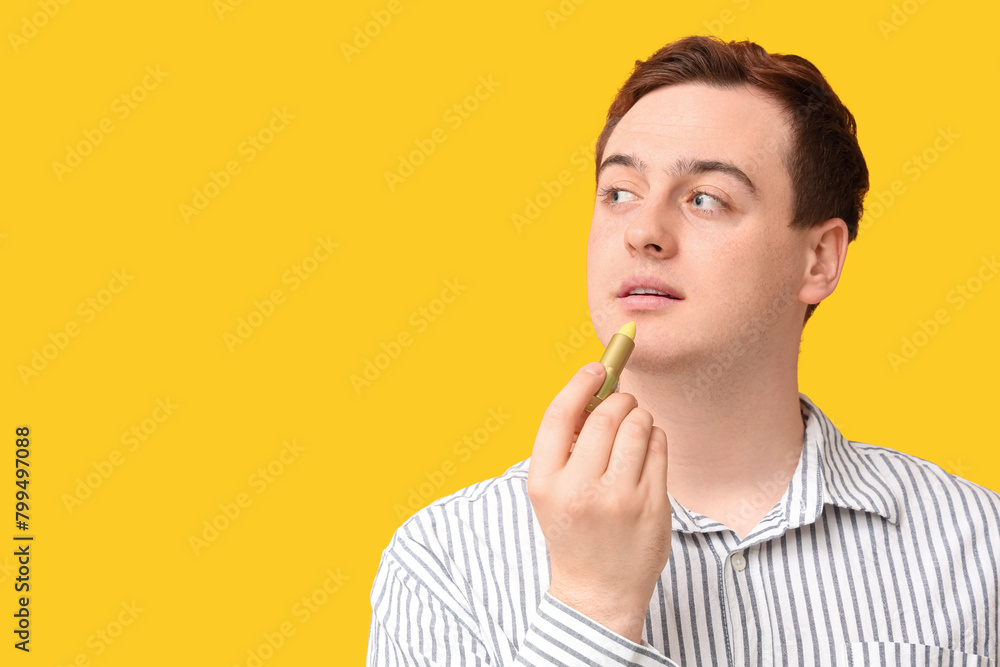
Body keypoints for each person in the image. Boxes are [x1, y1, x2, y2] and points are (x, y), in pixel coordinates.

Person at [367, 35, 1000, 666]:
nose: (643, 232)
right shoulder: (445, 564)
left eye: (705, 199)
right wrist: (592, 607)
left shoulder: (979, 550)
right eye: (619, 192)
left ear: (819, 258)